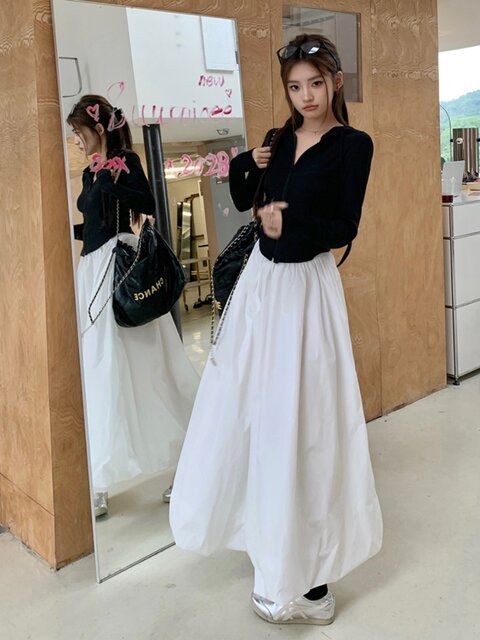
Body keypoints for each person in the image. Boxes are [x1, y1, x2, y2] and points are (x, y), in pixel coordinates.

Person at [169, 34, 382, 625]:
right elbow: (247, 200)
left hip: (307, 292)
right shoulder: (280, 138)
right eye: (295, 86)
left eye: (316, 83)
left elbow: (344, 226)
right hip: (262, 288)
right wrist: (250, 164)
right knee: (254, 412)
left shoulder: (353, 145)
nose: (306, 96)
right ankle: (269, 540)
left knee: (308, 422)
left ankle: (312, 581)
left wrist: (289, 225)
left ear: (335, 81)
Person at [67, 95, 198, 517]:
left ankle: (188, 465)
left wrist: (110, 179)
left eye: (78, 133)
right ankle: (99, 477)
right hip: (92, 269)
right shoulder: (89, 170)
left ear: (98, 129)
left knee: (147, 370)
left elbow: (147, 204)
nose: (76, 141)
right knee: (102, 373)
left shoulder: (125, 161)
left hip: (119, 270)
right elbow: (93, 223)